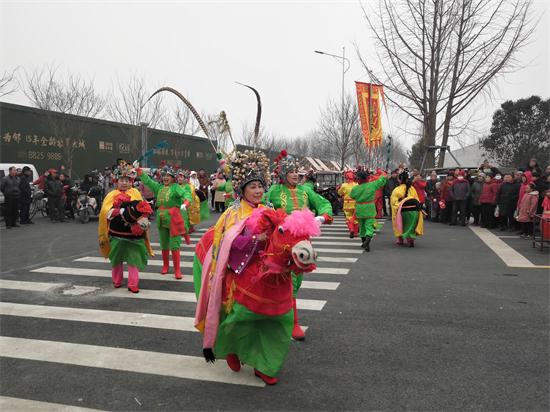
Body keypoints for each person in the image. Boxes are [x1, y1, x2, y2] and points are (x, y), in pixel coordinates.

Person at [193, 150, 319, 385]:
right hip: (241, 268)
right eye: (253, 187)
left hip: (270, 268)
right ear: (242, 190)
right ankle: (231, 349)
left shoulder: (268, 207)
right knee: (240, 317)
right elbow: (226, 241)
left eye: (260, 186)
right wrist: (253, 240)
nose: (258, 190)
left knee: (279, 320)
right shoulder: (232, 212)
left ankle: (266, 365)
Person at [265, 150, 333, 341]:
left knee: (297, 279)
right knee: (287, 281)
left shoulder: (305, 191)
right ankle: (292, 322)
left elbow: (324, 203)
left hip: (302, 241)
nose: (296, 174)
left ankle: (284, 317)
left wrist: (322, 216)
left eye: (297, 171)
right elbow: (261, 207)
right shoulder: (274, 191)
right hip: (281, 242)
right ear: (282, 173)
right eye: (291, 171)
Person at [98, 165, 154, 293]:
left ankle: (133, 284)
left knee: (133, 260)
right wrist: (119, 211)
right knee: (116, 259)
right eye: (122, 180)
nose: (124, 182)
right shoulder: (111, 195)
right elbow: (105, 212)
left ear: (131, 182)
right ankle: (117, 281)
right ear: (116, 181)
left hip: (134, 235)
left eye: (127, 180)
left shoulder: (135, 193)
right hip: (116, 234)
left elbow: (142, 210)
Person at [138, 165, 192, 279]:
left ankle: (177, 269)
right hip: (162, 218)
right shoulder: (159, 187)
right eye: (164, 175)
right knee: (164, 244)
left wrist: (186, 203)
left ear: (173, 178)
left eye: (168, 175)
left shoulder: (176, 187)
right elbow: (148, 181)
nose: (165, 178)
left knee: (175, 244)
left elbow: (186, 194)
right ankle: (165, 266)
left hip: (174, 219)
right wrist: (139, 171)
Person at [350, 169, 387, 251]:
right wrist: (383, 173)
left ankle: (363, 242)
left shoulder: (355, 188)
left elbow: (352, 195)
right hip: (370, 208)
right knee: (369, 226)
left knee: (362, 226)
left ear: (359, 179)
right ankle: (367, 241)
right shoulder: (372, 185)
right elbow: (382, 180)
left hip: (360, 209)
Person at [390, 170, 424, 247]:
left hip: (403, 210)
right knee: (411, 225)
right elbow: (417, 200)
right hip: (414, 210)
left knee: (400, 224)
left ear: (400, 180)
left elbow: (394, 203)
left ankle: (400, 238)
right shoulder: (412, 188)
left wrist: (398, 209)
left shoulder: (397, 190)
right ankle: (410, 239)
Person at [337, 170, 358, 238]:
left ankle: (351, 229)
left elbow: (339, 193)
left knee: (348, 218)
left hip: (347, 204)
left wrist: (338, 189)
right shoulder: (357, 185)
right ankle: (355, 232)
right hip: (355, 204)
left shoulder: (344, 185)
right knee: (356, 218)